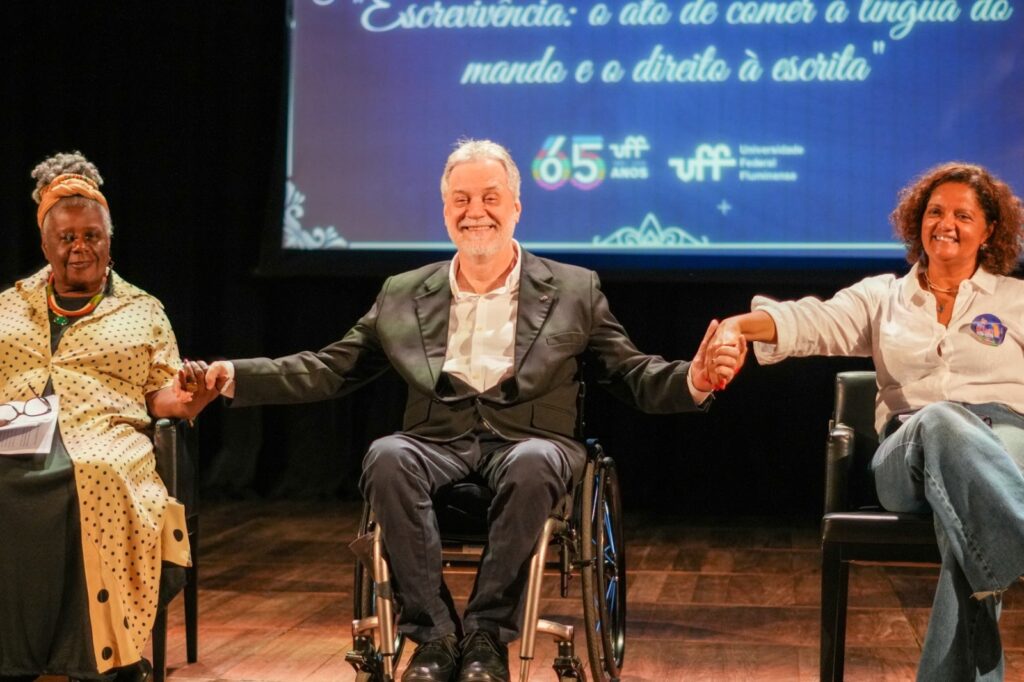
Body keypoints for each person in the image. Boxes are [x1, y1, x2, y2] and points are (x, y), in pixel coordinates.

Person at [178, 139, 743, 682]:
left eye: (490, 198)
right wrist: (233, 375)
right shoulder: (404, 292)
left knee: (534, 461)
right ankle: (435, 637)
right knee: (387, 455)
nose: (476, 212)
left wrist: (693, 379)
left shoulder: (575, 290)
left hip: (531, 445)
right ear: (445, 209)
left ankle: (486, 636)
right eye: (461, 200)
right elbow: (329, 367)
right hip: (435, 444)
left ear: (516, 206)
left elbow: (631, 372)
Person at [706, 162, 1024, 681]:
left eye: (963, 215)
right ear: (917, 221)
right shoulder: (883, 297)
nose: (945, 223)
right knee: (943, 419)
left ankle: (1006, 534)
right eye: (935, 212)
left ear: (989, 231)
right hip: (911, 451)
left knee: (969, 542)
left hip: (1004, 442)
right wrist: (739, 327)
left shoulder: (1017, 300)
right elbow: (812, 321)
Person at [0, 152, 214, 682]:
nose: (80, 247)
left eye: (92, 235)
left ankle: (102, 652)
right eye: (67, 237)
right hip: (15, 431)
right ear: (46, 245)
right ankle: (13, 654)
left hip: (105, 434)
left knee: (95, 472)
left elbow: (161, 394)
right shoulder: (9, 305)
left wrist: (188, 399)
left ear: (109, 242)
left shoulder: (142, 309)